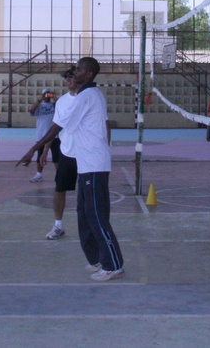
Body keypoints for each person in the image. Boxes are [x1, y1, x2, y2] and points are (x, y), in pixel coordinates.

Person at [53, 56, 124, 281]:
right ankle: (97, 260)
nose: (75, 72)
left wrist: (36, 147)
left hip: (94, 165)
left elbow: (60, 125)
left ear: (90, 74)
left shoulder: (89, 95)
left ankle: (114, 265)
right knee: (84, 216)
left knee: (96, 217)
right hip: (85, 165)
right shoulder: (81, 96)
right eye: (75, 68)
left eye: (80, 69)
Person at [18, 67, 80, 240]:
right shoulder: (57, 103)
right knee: (59, 186)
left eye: (71, 76)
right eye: (66, 77)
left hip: (78, 150)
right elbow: (49, 123)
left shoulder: (86, 98)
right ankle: (58, 225)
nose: (68, 79)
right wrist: (40, 148)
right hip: (55, 142)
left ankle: (89, 222)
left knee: (85, 189)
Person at [27, 88, 56, 182]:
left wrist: (56, 99)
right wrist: (39, 100)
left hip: (55, 135)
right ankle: (39, 175)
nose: (47, 96)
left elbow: (64, 109)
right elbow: (31, 110)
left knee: (57, 156)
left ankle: (59, 175)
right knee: (40, 155)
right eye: (45, 94)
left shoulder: (55, 105)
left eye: (49, 94)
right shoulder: (39, 105)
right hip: (42, 135)